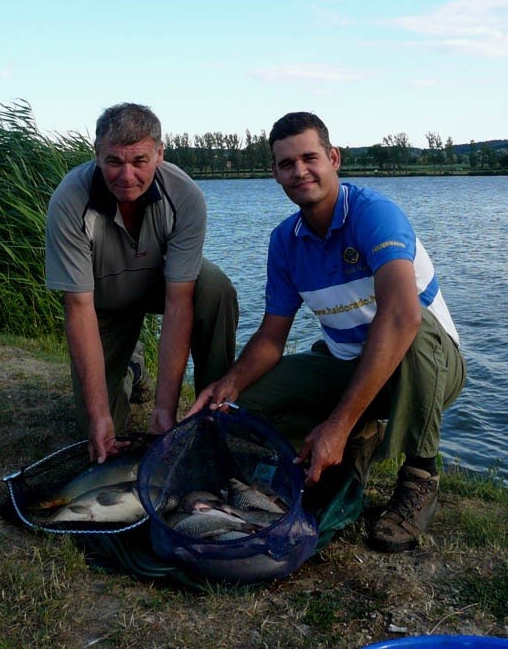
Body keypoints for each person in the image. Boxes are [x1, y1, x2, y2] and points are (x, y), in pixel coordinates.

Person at [187, 111, 465, 552]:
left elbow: (401, 318)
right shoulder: (285, 241)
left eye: (309, 157)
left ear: (333, 158)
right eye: (285, 164)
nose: (299, 171)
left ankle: (419, 477)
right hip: (349, 364)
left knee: (415, 323)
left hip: (430, 366)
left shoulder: (375, 215)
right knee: (244, 409)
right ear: (274, 174)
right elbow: (271, 337)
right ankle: (358, 435)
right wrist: (228, 385)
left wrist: (338, 422)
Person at [46, 102, 238, 464]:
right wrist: (100, 415)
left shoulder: (185, 196)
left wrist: (164, 410)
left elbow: (180, 303)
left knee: (215, 287)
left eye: (140, 161)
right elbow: (79, 308)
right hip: (102, 302)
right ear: (97, 155)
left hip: (160, 286)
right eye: (114, 161)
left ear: (160, 154)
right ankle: (131, 368)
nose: (126, 175)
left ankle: (211, 415)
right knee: (101, 433)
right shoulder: (69, 200)